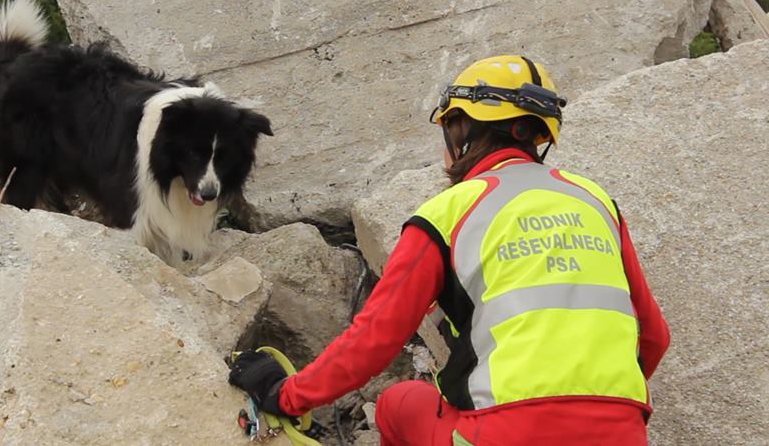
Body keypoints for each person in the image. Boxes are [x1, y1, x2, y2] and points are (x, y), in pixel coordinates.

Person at [229, 55, 670, 445]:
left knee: (398, 403)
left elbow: (375, 339)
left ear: (462, 128)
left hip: (503, 432)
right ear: (539, 136)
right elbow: (654, 336)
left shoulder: (449, 211)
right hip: (621, 432)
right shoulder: (595, 201)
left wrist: (284, 395)